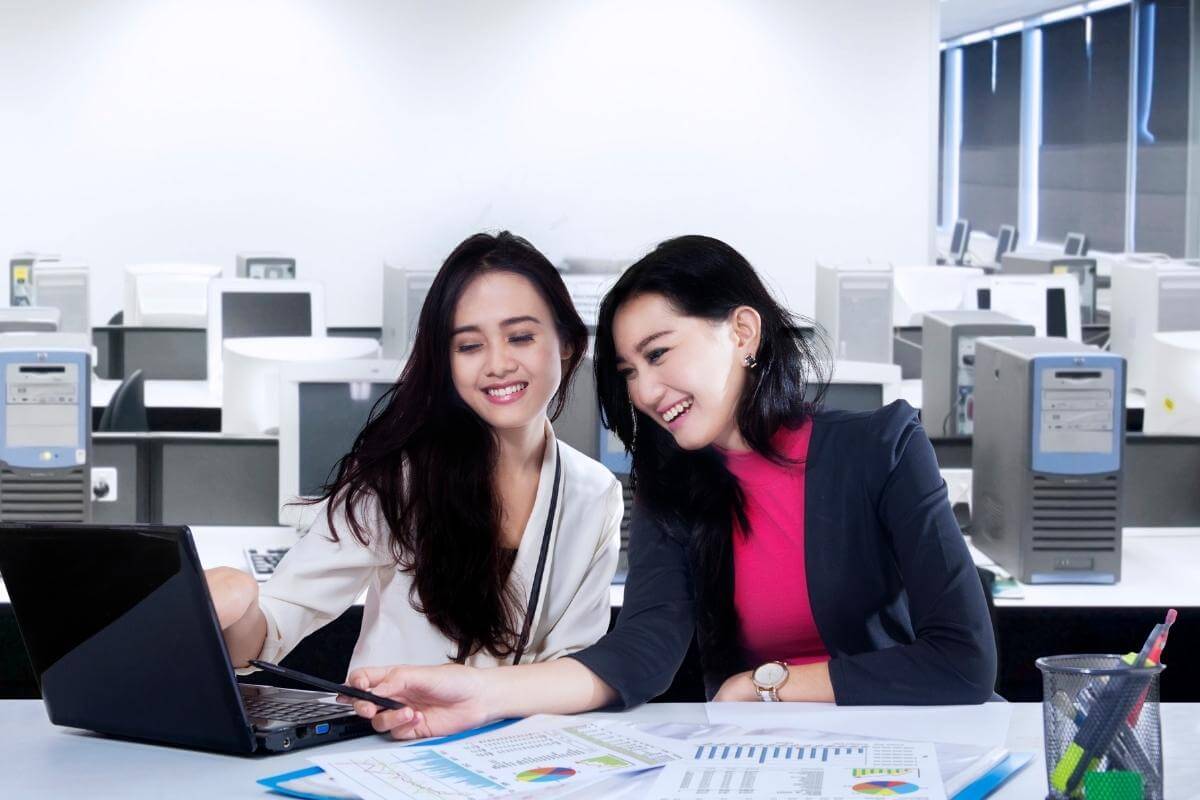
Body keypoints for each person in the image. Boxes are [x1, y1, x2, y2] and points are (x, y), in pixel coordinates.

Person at [344, 234, 998, 739]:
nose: (645, 392)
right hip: (764, 756)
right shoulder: (672, 482)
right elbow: (644, 648)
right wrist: (482, 694)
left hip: (902, 747)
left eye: (660, 354)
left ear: (742, 332)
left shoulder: (881, 448)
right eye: (628, 370)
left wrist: (772, 685)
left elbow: (963, 661)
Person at [206, 231, 624, 680]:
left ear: (565, 342)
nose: (498, 363)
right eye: (469, 346)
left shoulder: (594, 495)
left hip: (524, 747)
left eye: (520, 337)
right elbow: (274, 626)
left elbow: (577, 670)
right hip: (390, 741)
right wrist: (238, 604)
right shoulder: (398, 481)